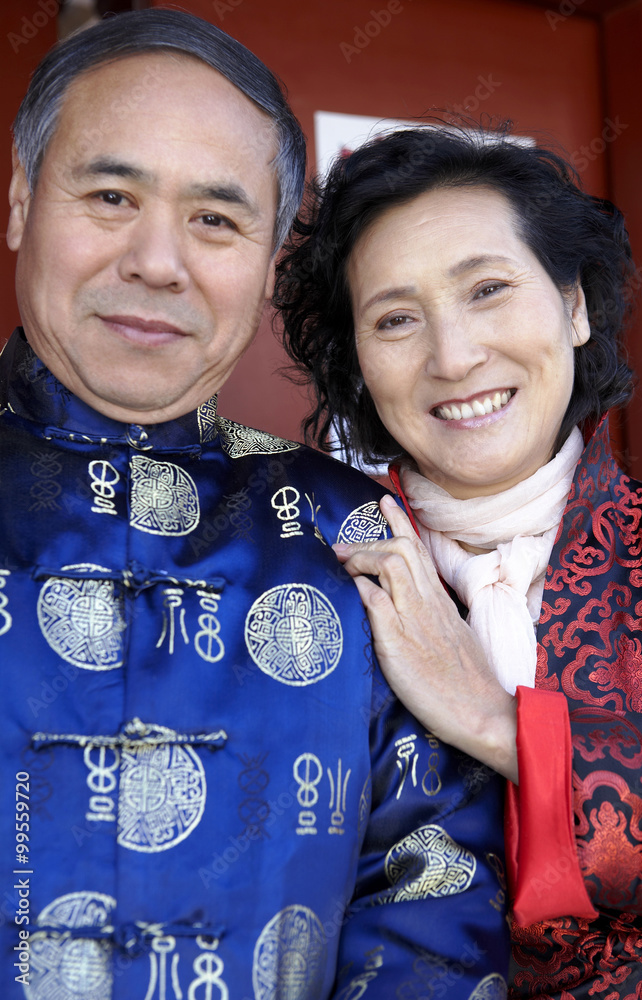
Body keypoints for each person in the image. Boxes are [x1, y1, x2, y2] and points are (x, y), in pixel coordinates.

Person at [0, 11, 511, 999]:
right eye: (110, 194)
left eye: (216, 219)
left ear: (272, 263)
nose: (158, 261)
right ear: (22, 202)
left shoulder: (354, 538)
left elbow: (431, 905)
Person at [276, 122, 642, 998]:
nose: (452, 357)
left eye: (487, 289)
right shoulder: (305, 568)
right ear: (356, 367)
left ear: (573, 306)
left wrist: (496, 722)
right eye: (395, 319)